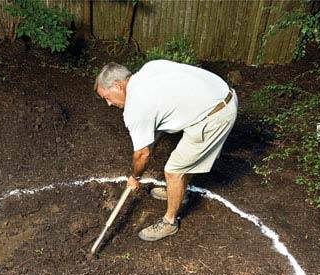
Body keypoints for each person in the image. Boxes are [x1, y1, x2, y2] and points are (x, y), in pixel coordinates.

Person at [94, 60, 238, 241]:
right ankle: (178, 191)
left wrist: (135, 177)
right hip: (221, 95)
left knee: (174, 170)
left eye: (107, 97)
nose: (108, 103)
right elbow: (159, 121)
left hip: (215, 115)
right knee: (184, 159)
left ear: (118, 85)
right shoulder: (148, 69)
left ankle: (170, 222)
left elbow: (142, 154)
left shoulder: (136, 107)